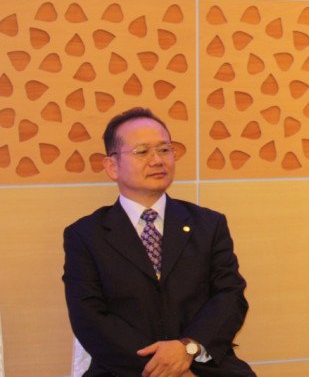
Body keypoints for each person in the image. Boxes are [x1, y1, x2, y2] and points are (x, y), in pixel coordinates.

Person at [63, 107, 255, 376]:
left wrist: (187, 349)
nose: (157, 160)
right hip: (124, 369)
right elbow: (89, 318)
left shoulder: (209, 224)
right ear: (112, 166)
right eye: (142, 151)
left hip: (202, 364)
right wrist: (164, 369)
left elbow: (230, 297)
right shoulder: (85, 235)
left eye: (164, 150)